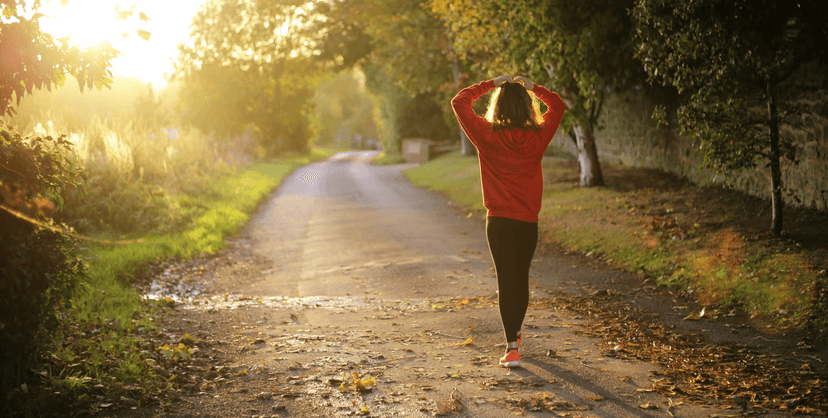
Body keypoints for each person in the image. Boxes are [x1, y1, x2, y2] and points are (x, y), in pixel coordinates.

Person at [451, 75, 566, 368]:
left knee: (506, 281)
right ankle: (515, 333)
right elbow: (558, 105)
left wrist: (490, 83)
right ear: (528, 107)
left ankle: (512, 347)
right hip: (527, 221)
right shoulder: (538, 136)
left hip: (499, 222)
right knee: (521, 278)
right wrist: (534, 88)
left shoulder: (486, 135)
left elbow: (459, 102)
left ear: (497, 106)